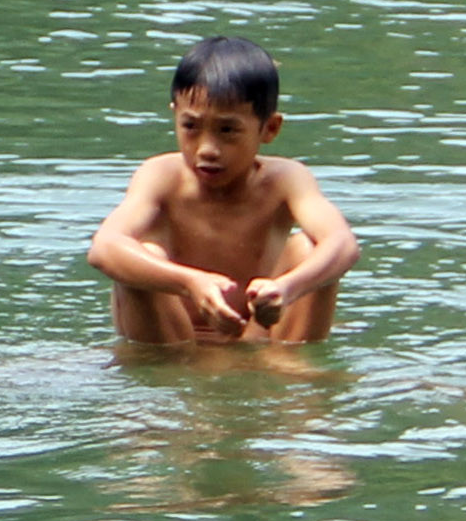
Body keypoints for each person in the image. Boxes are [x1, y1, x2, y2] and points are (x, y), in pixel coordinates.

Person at [88, 35, 361, 345]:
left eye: (227, 130)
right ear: (175, 115)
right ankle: (159, 367)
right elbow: (104, 247)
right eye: (190, 126)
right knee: (142, 255)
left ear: (269, 128)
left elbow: (343, 244)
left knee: (309, 249)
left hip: (259, 338)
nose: (207, 150)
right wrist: (189, 282)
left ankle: (291, 365)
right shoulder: (160, 176)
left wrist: (288, 288)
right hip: (175, 342)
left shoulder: (286, 179)